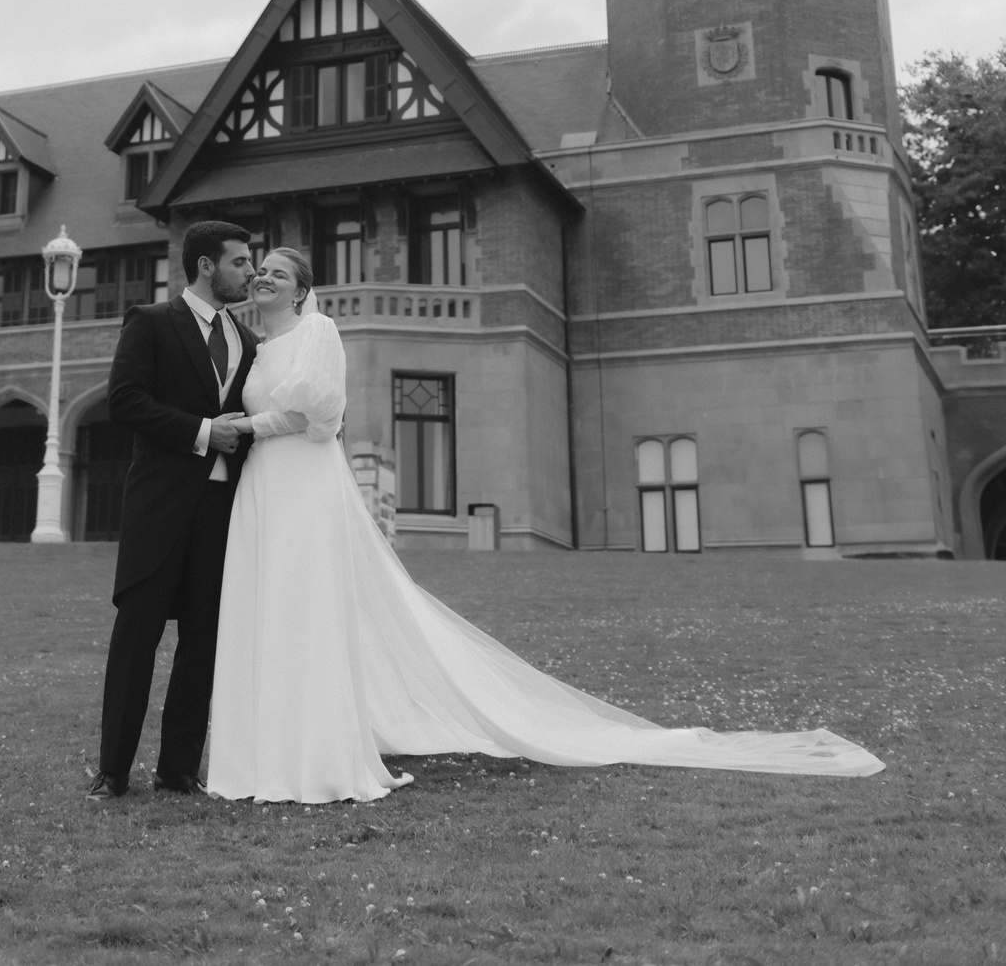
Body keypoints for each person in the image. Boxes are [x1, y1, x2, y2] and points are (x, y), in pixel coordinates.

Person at [206, 246, 884, 804]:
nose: (262, 277)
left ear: (302, 291)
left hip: (304, 483)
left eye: (277, 273)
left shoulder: (319, 333)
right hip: (265, 486)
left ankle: (314, 755)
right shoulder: (257, 350)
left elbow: (319, 414)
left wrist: (246, 424)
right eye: (258, 270)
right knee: (272, 610)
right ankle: (265, 747)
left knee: (311, 608)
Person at [89, 220, 260, 798]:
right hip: (159, 508)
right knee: (137, 635)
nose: (251, 272)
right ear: (207, 266)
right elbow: (125, 401)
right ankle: (113, 770)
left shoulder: (249, 342)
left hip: (222, 509)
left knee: (204, 638)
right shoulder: (152, 322)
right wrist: (203, 432)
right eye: (240, 262)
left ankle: (179, 769)